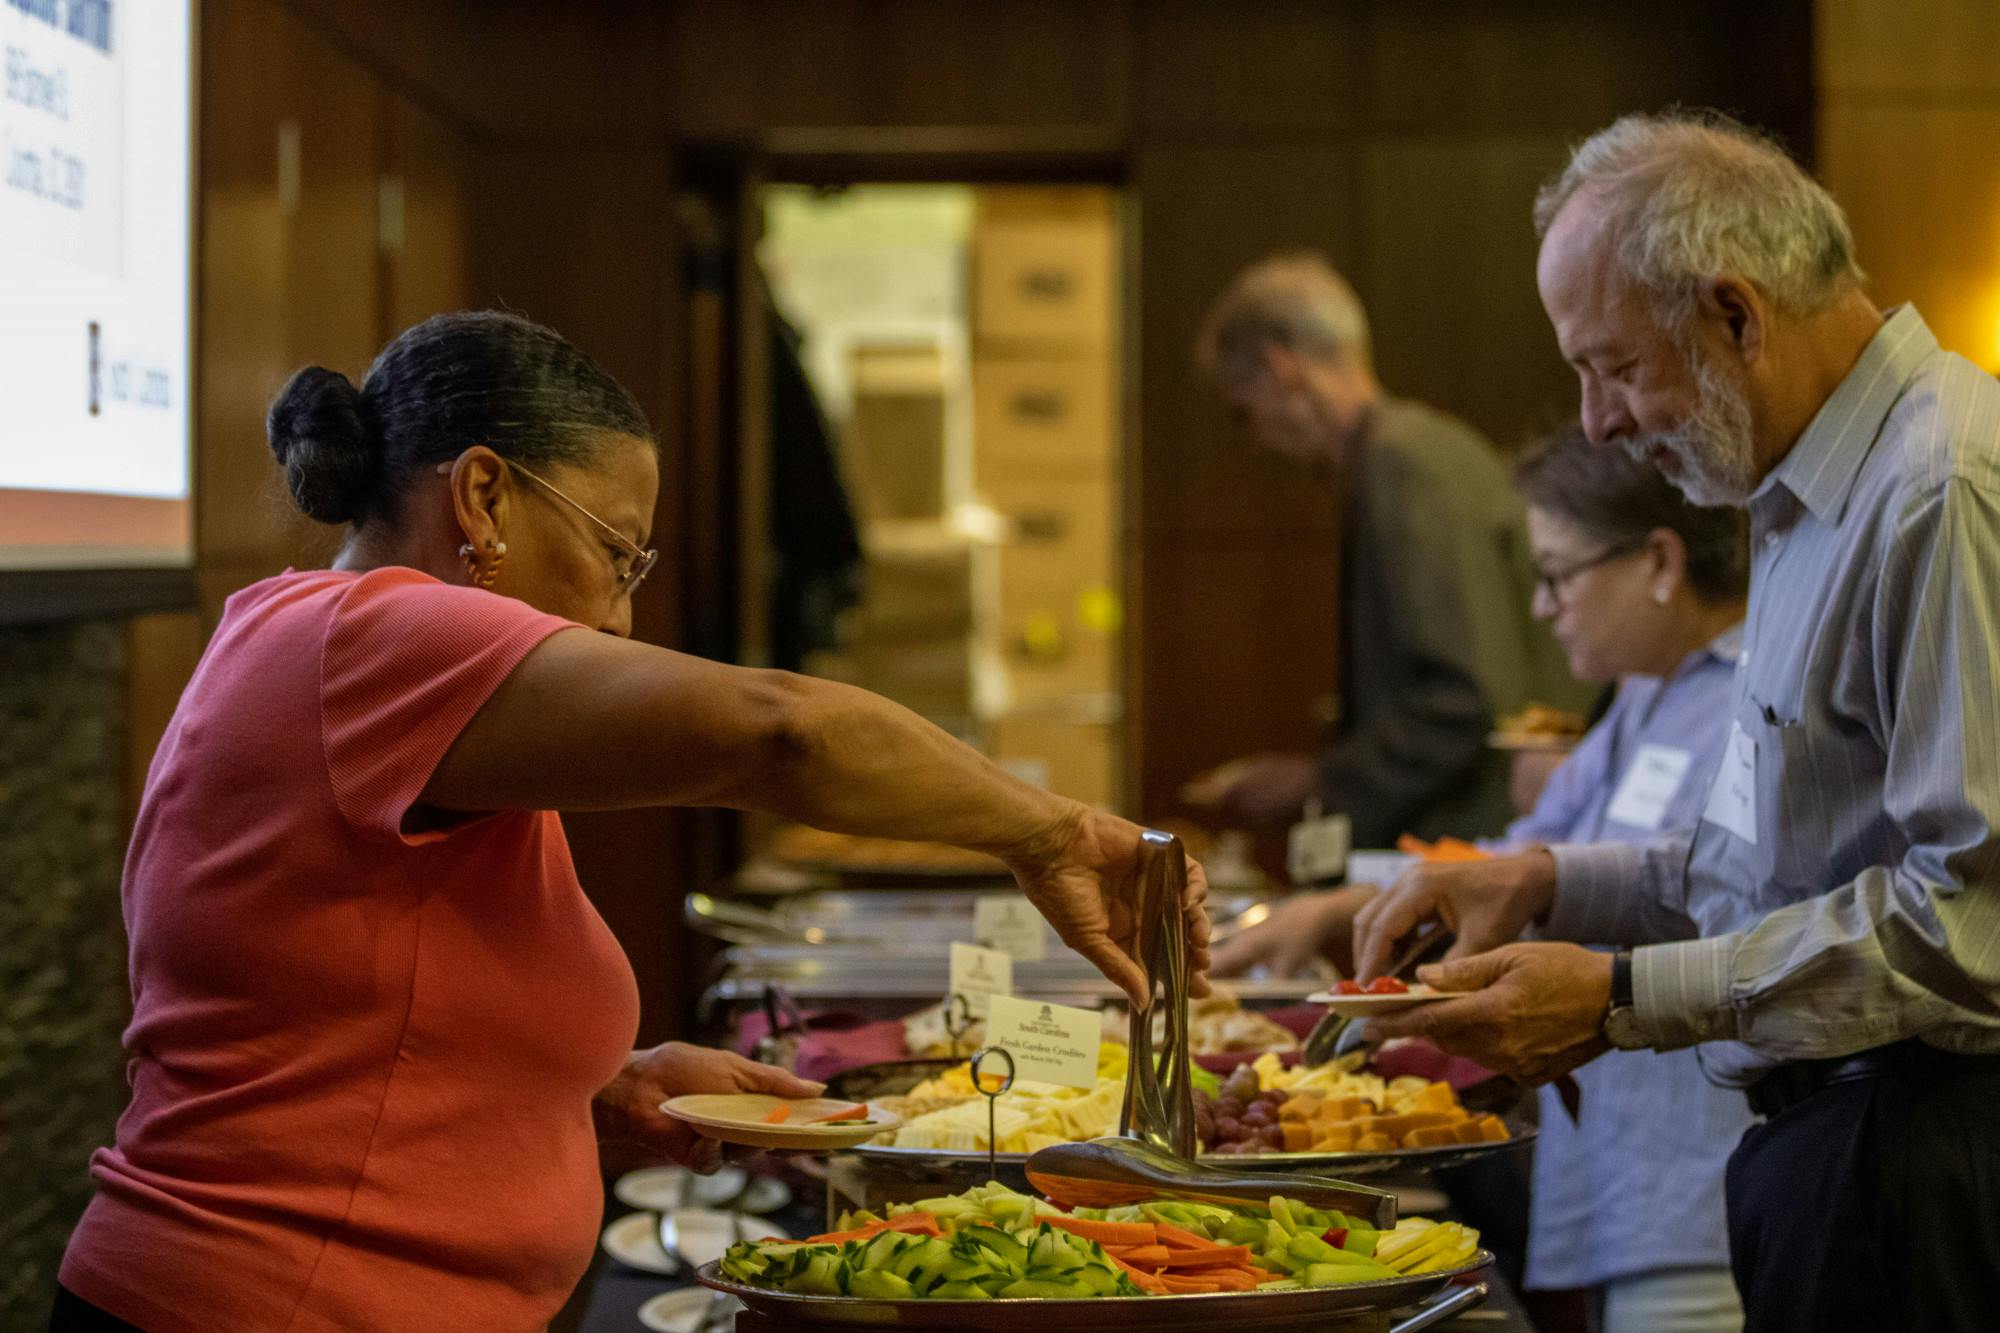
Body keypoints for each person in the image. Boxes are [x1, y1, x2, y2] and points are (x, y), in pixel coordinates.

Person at [52, 312, 1210, 1333]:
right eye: (614, 554)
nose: (617, 616)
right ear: (482, 494)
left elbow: (337, 1019)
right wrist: (1050, 833)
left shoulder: (352, 656)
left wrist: (600, 1088)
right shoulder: (375, 635)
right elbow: (781, 732)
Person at [1350, 111, 2000, 1333]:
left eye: (1611, 367)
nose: (1595, 422)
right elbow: (1778, 869)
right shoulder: (1804, 488)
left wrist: (1619, 994)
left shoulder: (1937, 486)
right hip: (1830, 1146)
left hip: (1920, 1151)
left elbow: (1970, 923)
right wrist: (1545, 881)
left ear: (1735, 317)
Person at [1217, 426, 1754, 1331]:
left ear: (1661, 561)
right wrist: (1344, 909)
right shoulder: (1645, 690)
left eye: (1557, 574)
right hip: (1624, 1175)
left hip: (1694, 1184)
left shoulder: (1744, 697)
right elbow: (1518, 861)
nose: (1542, 608)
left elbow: (1722, 901)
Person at [1182, 253, 1587, 845]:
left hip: (1465, 840)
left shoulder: (1403, 465)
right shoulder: (1418, 452)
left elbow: (1463, 700)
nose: (1258, 440)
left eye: (1245, 414)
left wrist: (1316, 781)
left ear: (1282, 369)